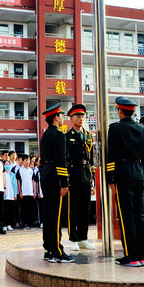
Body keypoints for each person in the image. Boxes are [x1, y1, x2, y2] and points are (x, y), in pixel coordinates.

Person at [107, 96, 144, 267]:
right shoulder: (142, 129)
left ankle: (131, 256)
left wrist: (111, 178)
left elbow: (113, 156)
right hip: (140, 174)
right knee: (141, 216)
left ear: (120, 111)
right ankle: (141, 256)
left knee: (127, 217)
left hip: (123, 174)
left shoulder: (115, 129)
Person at [39, 103, 74, 263]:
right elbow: (61, 160)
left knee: (47, 214)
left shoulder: (46, 134)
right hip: (55, 177)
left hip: (46, 175)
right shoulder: (59, 134)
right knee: (56, 216)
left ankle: (48, 249)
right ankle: (57, 251)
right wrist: (64, 182)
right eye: (61, 116)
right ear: (55, 118)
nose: (63, 119)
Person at [65, 104, 96, 251]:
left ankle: (83, 238)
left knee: (85, 208)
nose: (81, 118)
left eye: (83, 116)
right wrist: (66, 179)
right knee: (73, 208)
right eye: (78, 116)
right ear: (71, 118)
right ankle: (73, 238)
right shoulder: (67, 136)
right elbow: (65, 160)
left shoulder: (89, 136)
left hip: (86, 175)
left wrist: (93, 181)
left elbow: (91, 159)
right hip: (73, 174)